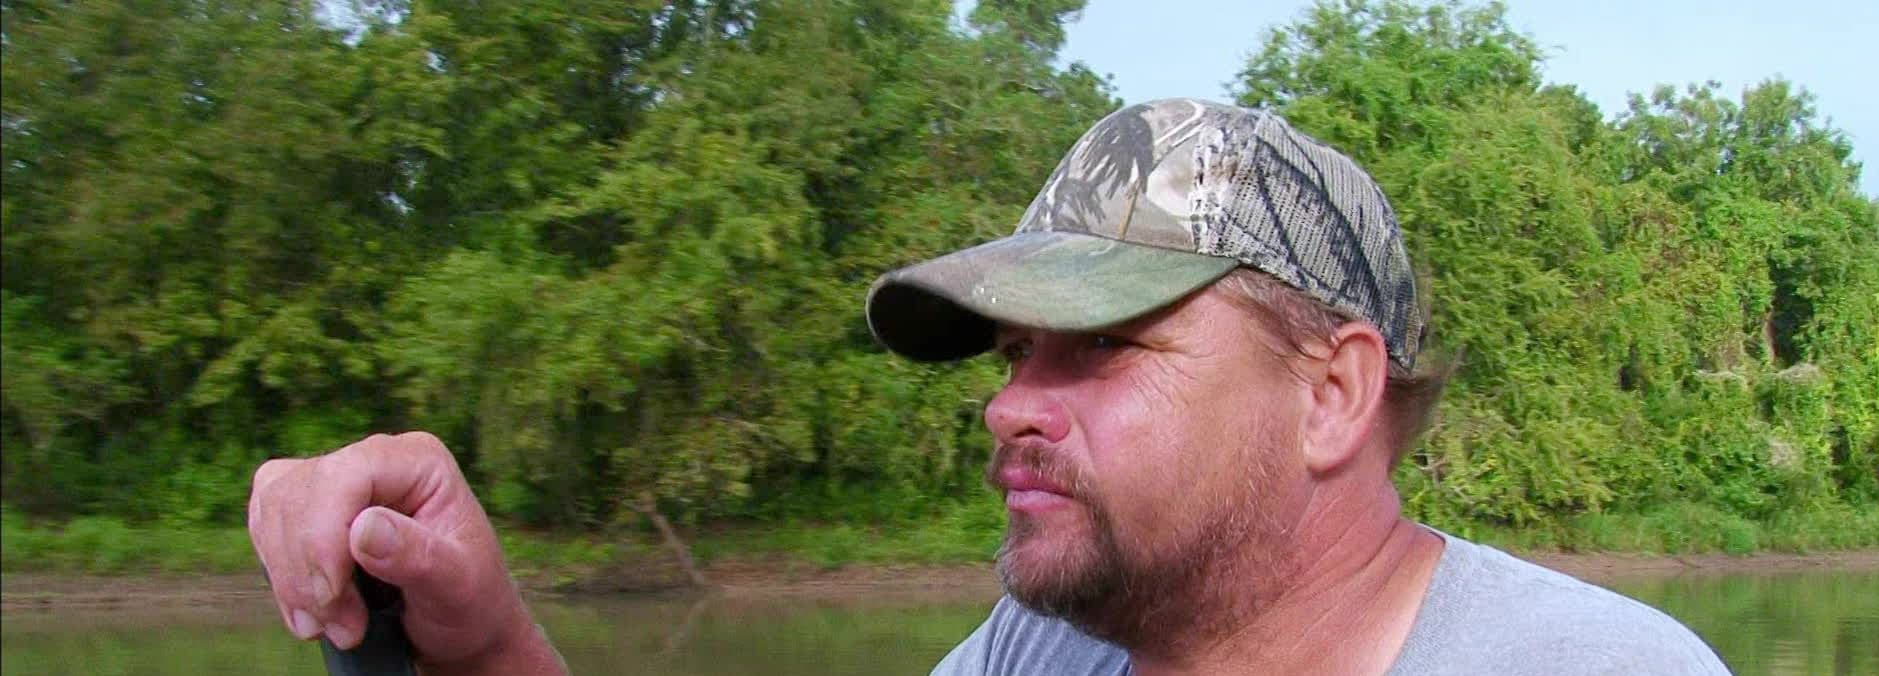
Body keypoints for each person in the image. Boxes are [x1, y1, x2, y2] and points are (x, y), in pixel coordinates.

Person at [247, 99, 1732, 675]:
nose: (1011, 403)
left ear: (1332, 396)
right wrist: (484, 646)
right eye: (1015, 352)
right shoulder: (1047, 649)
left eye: (1104, 345)